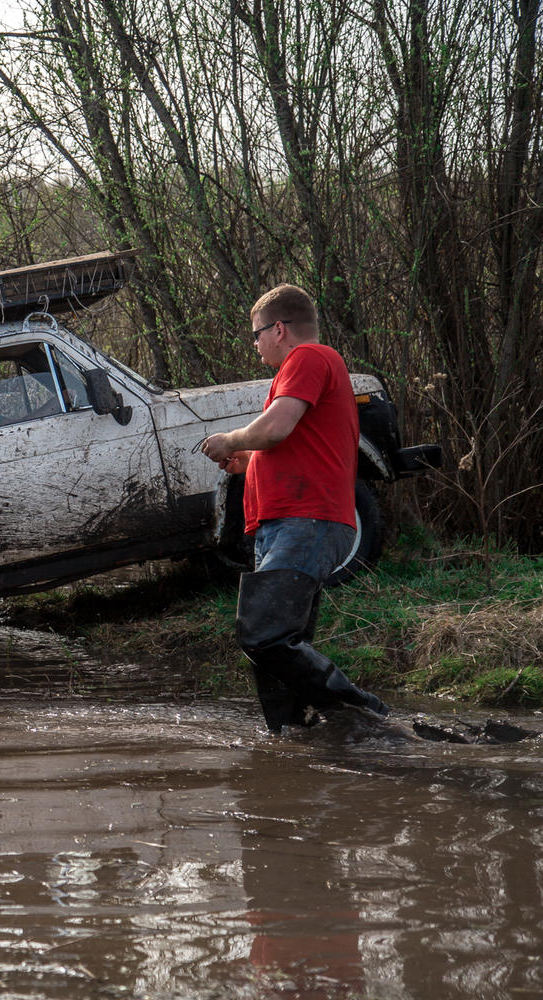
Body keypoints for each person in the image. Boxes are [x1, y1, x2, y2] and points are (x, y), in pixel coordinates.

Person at [200, 284, 388, 733]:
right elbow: (287, 441)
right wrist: (247, 460)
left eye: (257, 334)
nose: (255, 343)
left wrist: (231, 439)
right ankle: (293, 739)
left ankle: (368, 716)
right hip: (291, 523)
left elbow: (276, 428)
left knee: (265, 635)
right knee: (280, 648)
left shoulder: (308, 358)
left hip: (306, 521)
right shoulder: (307, 369)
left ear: (279, 329)